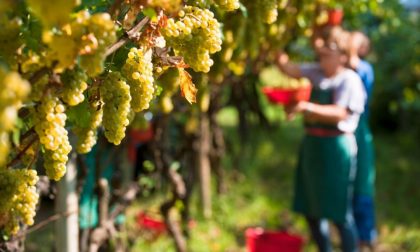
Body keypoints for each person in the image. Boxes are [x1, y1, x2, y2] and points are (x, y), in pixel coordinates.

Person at [276, 27, 366, 252]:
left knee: (339, 213)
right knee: (311, 208)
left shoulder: (349, 80)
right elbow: (289, 69)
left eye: (328, 54)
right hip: (312, 147)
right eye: (322, 53)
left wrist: (307, 107)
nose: (322, 57)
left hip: (337, 150)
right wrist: (276, 46)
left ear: (343, 56)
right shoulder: (315, 72)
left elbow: (341, 113)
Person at [349, 31, 377, 249]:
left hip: (360, 131)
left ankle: (366, 235)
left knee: (362, 185)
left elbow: (355, 66)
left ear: (364, 49)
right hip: (344, 132)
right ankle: (352, 235)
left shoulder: (365, 68)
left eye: (356, 42)